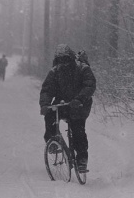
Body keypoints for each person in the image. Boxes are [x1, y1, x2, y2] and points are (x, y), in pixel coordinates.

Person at [39, 44, 96, 172]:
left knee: (77, 129)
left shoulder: (83, 69)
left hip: (80, 105)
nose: (63, 63)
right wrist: (44, 105)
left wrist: (79, 99)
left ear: (70, 58)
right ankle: (52, 141)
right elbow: (47, 90)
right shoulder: (54, 72)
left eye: (65, 59)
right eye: (60, 60)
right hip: (63, 103)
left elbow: (89, 86)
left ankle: (82, 159)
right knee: (50, 116)